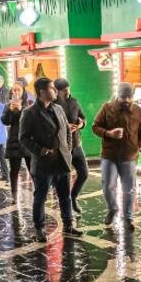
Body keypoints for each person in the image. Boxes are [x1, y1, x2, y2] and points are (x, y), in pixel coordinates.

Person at [20, 77, 83, 243]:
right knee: (40, 196)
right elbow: (23, 138)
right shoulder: (29, 112)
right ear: (41, 92)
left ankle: (68, 225)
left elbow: (67, 131)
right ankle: (39, 228)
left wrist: (67, 150)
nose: (55, 91)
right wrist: (41, 151)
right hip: (43, 162)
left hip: (61, 160)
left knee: (65, 195)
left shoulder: (58, 109)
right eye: (51, 88)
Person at [92, 82, 141, 231]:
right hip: (109, 155)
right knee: (108, 185)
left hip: (130, 156)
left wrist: (140, 145)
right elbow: (95, 126)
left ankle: (128, 218)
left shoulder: (138, 111)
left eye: (129, 97)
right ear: (118, 95)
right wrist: (108, 133)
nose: (127, 100)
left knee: (129, 189)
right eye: (123, 97)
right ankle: (113, 208)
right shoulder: (107, 108)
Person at [53, 78, 88, 216]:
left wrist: (80, 125)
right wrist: (65, 127)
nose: (67, 91)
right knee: (64, 179)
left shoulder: (75, 102)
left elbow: (83, 118)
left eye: (68, 88)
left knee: (84, 174)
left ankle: (73, 197)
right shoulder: (54, 105)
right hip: (62, 147)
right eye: (64, 90)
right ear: (58, 91)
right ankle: (66, 207)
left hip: (77, 144)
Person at [2, 82, 32, 202]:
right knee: (14, 170)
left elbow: (30, 121)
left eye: (18, 90)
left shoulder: (28, 105)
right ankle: (14, 194)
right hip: (14, 141)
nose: (16, 92)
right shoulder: (8, 105)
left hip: (27, 141)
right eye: (13, 90)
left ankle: (38, 192)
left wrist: (21, 110)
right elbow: (5, 121)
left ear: (23, 91)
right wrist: (10, 110)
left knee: (32, 169)